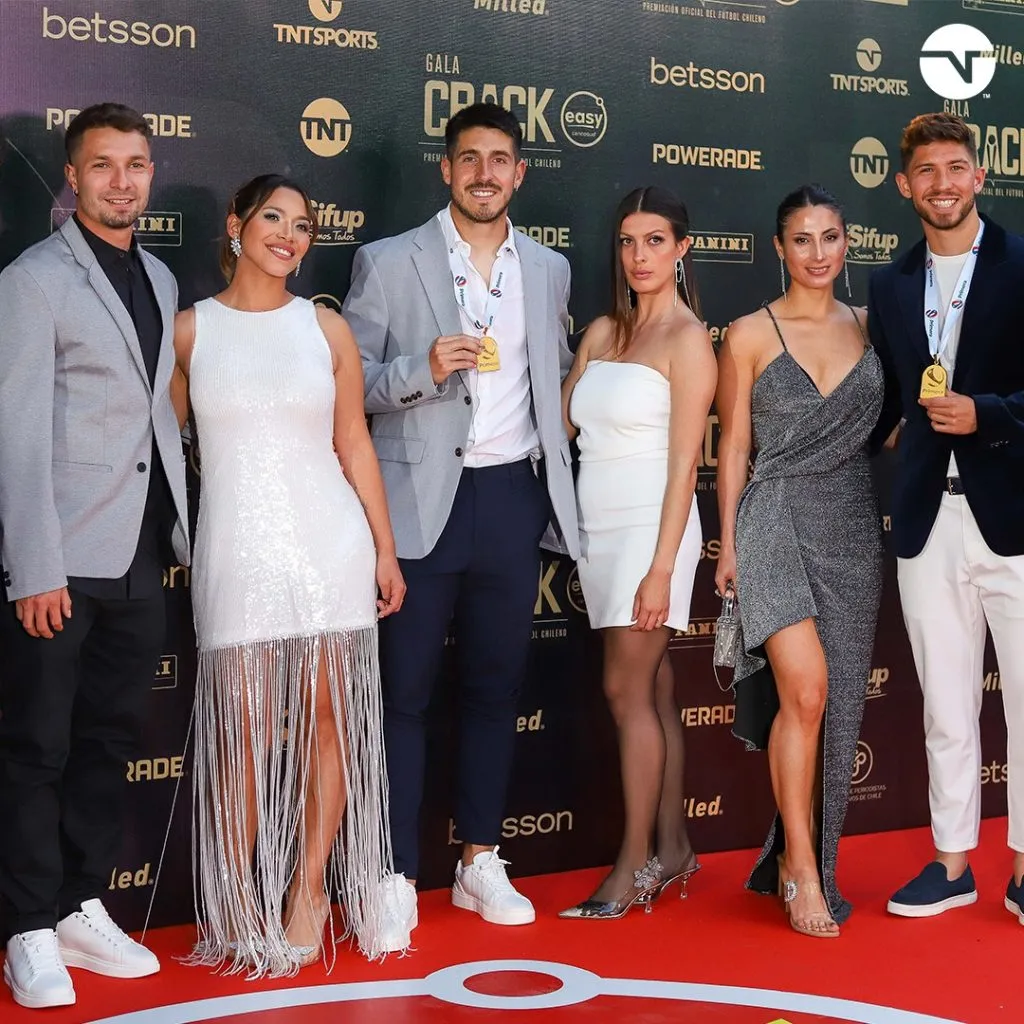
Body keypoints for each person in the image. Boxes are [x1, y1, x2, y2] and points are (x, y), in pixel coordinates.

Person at [342, 102, 578, 947]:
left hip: (511, 498)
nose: (485, 171)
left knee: (493, 689)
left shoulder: (548, 269)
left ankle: (481, 859)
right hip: (416, 506)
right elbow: (355, 384)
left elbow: (552, 379)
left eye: (501, 159)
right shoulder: (386, 259)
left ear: (519, 173)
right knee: (400, 696)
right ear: (446, 168)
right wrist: (418, 370)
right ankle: (394, 874)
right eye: (469, 157)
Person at [171, 175, 405, 977]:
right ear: (236, 225)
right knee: (240, 739)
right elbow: (159, 456)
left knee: (330, 725)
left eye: (302, 225)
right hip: (236, 550)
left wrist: (382, 546)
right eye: (273, 217)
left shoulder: (325, 326)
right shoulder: (191, 332)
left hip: (330, 543)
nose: (288, 235)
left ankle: (307, 891)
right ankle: (239, 900)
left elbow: (355, 443)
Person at [0, 103, 189, 1009]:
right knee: (37, 744)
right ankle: (27, 926)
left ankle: (82, 902)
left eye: (137, 164)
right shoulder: (33, 280)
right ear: (72, 178)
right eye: (104, 165)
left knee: (109, 741)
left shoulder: (158, 275)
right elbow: (18, 434)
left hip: (140, 553)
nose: (123, 181)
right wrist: (33, 564)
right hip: (63, 557)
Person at [715, 185, 884, 938]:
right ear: (778, 249)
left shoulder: (875, 329)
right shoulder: (749, 333)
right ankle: (803, 872)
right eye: (802, 239)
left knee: (835, 704)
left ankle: (799, 854)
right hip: (774, 514)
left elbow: (901, 428)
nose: (819, 253)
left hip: (850, 525)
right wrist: (726, 542)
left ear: (847, 244)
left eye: (831, 237)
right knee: (806, 693)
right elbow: (734, 448)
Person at [868, 113, 1024, 920]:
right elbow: (892, 398)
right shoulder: (891, 283)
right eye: (925, 172)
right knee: (944, 703)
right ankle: (953, 863)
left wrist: (989, 413)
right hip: (927, 518)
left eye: (955, 168)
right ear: (904, 185)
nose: (941, 184)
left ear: (980, 175)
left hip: (1016, 520)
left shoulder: (1023, 262)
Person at [558, 187, 715, 918]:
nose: (639, 256)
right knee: (652, 693)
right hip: (597, 533)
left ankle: (631, 864)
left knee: (626, 694)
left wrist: (660, 568)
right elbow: (558, 425)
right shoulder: (600, 334)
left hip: (655, 534)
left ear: (682, 249)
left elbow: (686, 465)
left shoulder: (690, 340)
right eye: (627, 242)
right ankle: (676, 845)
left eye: (655, 241)